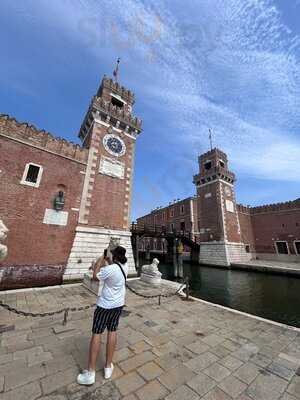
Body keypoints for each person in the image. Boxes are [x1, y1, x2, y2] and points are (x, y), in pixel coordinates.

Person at [77, 246, 128, 385]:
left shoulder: (108, 269)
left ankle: (91, 372)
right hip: (118, 305)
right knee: (113, 331)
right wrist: (109, 261)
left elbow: (95, 277)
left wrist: (100, 260)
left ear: (114, 257)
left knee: (97, 333)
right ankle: (107, 367)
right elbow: (114, 268)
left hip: (104, 306)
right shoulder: (126, 266)